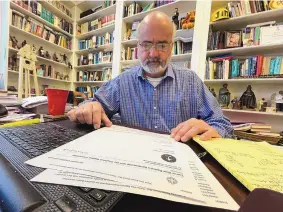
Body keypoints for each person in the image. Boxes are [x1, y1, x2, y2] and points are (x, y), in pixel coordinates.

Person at [67, 11, 233, 142]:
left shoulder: (191, 81)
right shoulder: (123, 82)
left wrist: (208, 129)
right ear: (137, 47)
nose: (153, 53)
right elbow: (91, 105)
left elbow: (223, 125)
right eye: (146, 44)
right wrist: (89, 107)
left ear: (171, 47)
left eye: (161, 45)